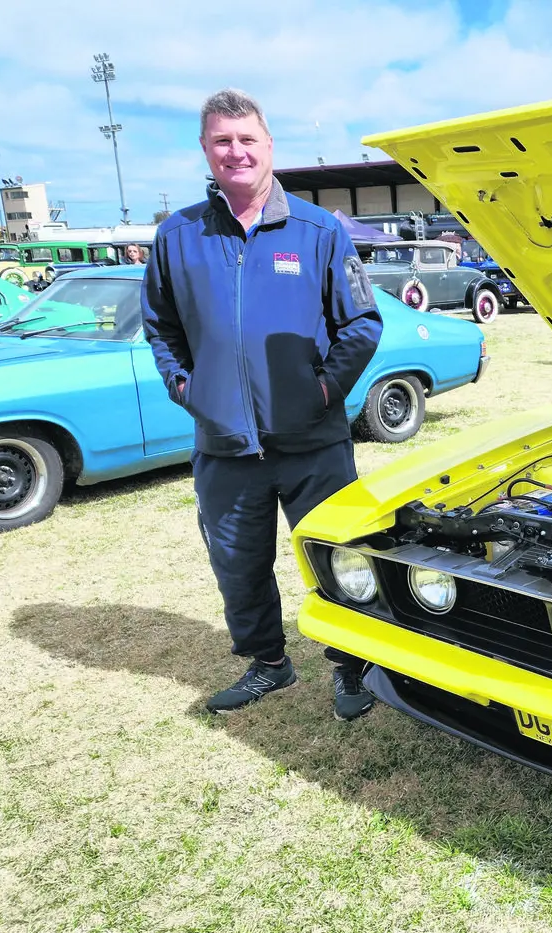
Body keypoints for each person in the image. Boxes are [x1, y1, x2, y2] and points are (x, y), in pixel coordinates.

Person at [141, 88, 384, 719]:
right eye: (222, 141)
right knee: (237, 564)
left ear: (269, 146)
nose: (236, 152)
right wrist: (189, 389)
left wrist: (322, 391)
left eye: (247, 139)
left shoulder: (318, 230)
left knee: (336, 558)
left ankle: (352, 668)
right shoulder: (178, 235)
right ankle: (268, 664)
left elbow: (361, 325)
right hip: (224, 445)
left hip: (313, 442)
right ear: (205, 150)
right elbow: (160, 327)